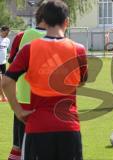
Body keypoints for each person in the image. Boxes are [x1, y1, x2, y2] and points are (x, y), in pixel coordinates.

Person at [2, 1, 88, 160]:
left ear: (44, 21)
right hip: (68, 127)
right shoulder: (79, 49)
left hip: (38, 127)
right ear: (67, 21)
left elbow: (6, 82)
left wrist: (18, 110)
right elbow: (82, 81)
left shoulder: (29, 49)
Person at [7, 2, 47, 160]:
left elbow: (13, 66)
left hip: (22, 99)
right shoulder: (59, 38)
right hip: (43, 102)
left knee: (19, 144)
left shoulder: (21, 36)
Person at [0, 25, 10, 101]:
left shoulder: (8, 40)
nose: (7, 34)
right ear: (2, 31)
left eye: (8, 33)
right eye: (6, 32)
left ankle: (3, 96)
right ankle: (3, 97)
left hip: (3, 63)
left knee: (3, 81)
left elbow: (5, 51)